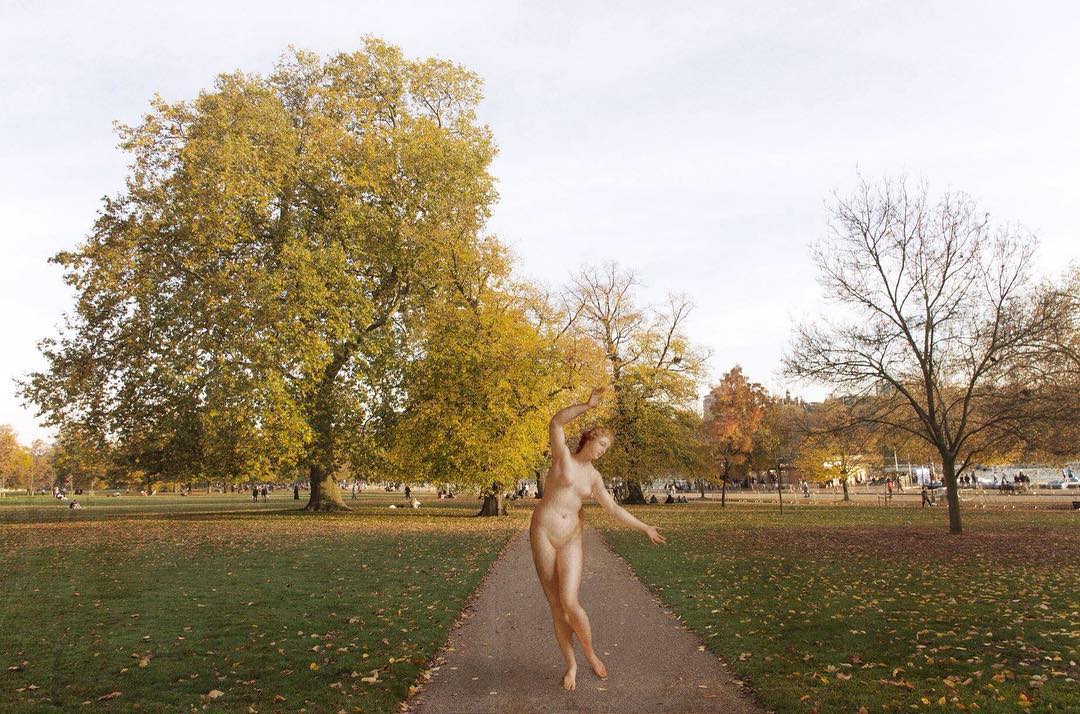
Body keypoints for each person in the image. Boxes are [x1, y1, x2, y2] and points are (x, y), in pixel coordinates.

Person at [530, 386, 665, 691]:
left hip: (570, 537)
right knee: (555, 605)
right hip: (542, 530)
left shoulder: (594, 478)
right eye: (602, 444)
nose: (603, 450)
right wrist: (588, 405)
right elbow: (556, 422)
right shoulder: (562, 456)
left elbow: (614, 509)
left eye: (607, 447)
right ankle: (571, 665)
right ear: (589, 439)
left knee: (570, 602)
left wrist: (645, 527)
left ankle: (590, 653)